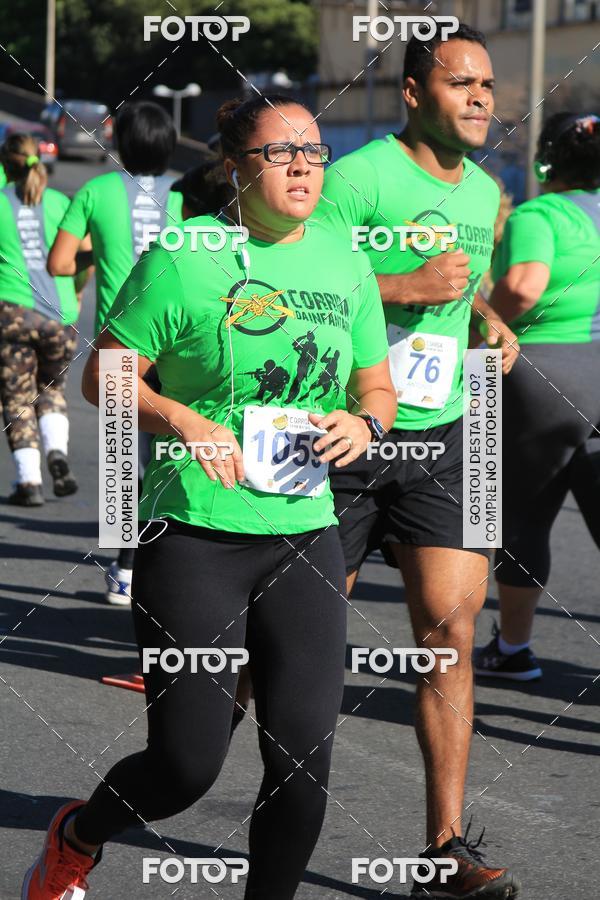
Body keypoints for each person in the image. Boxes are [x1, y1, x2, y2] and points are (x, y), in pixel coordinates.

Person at [22, 93, 397, 900]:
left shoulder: (345, 258)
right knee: (186, 765)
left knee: (302, 759)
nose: (302, 166)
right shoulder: (185, 256)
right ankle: (78, 834)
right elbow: (103, 374)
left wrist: (365, 422)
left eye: (314, 152)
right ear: (236, 166)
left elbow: (376, 380)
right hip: (194, 534)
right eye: (280, 152)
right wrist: (182, 417)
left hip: (305, 533)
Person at [316, 24, 521, 899]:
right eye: (459, 83)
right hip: (343, 432)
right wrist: (399, 289)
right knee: (303, 639)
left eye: (487, 84)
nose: (480, 97)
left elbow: (462, 280)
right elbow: (300, 282)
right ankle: (207, 750)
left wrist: (483, 318)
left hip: (444, 433)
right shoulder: (357, 177)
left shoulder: (485, 191)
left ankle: (443, 850)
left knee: (450, 634)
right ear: (411, 93)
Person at [474, 113, 600, 681]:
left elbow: (524, 285)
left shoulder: (539, 213)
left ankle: (514, 648)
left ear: (546, 162)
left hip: (540, 375)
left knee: (521, 518)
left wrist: (486, 324)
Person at [47, 100, 183, 605]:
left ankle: (125, 570)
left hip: (123, 346)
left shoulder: (96, 189)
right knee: (175, 455)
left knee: (123, 461)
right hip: (181, 342)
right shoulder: (186, 192)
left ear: (120, 143)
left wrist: (100, 250)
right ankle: (175, 568)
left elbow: (60, 263)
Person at [0, 134, 86, 506]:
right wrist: (78, 291)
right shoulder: (59, 202)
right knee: (51, 391)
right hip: (60, 314)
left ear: (6, 163)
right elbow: (83, 254)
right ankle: (57, 451)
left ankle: (29, 481)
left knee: (18, 397)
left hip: (13, 314)